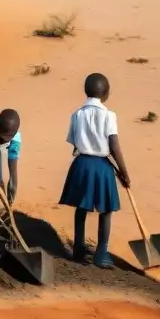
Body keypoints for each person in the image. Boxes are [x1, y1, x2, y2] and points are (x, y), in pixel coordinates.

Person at [60, 72, 131, 269]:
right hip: (101, 167)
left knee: (81, 207)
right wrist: (124, 171)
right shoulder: (109, 115)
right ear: (106, 93)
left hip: (82, 164)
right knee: (106, 209)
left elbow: (74, 145)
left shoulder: (77, 114)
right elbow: (114, 145)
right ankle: (101, 253)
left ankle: (79, 248)